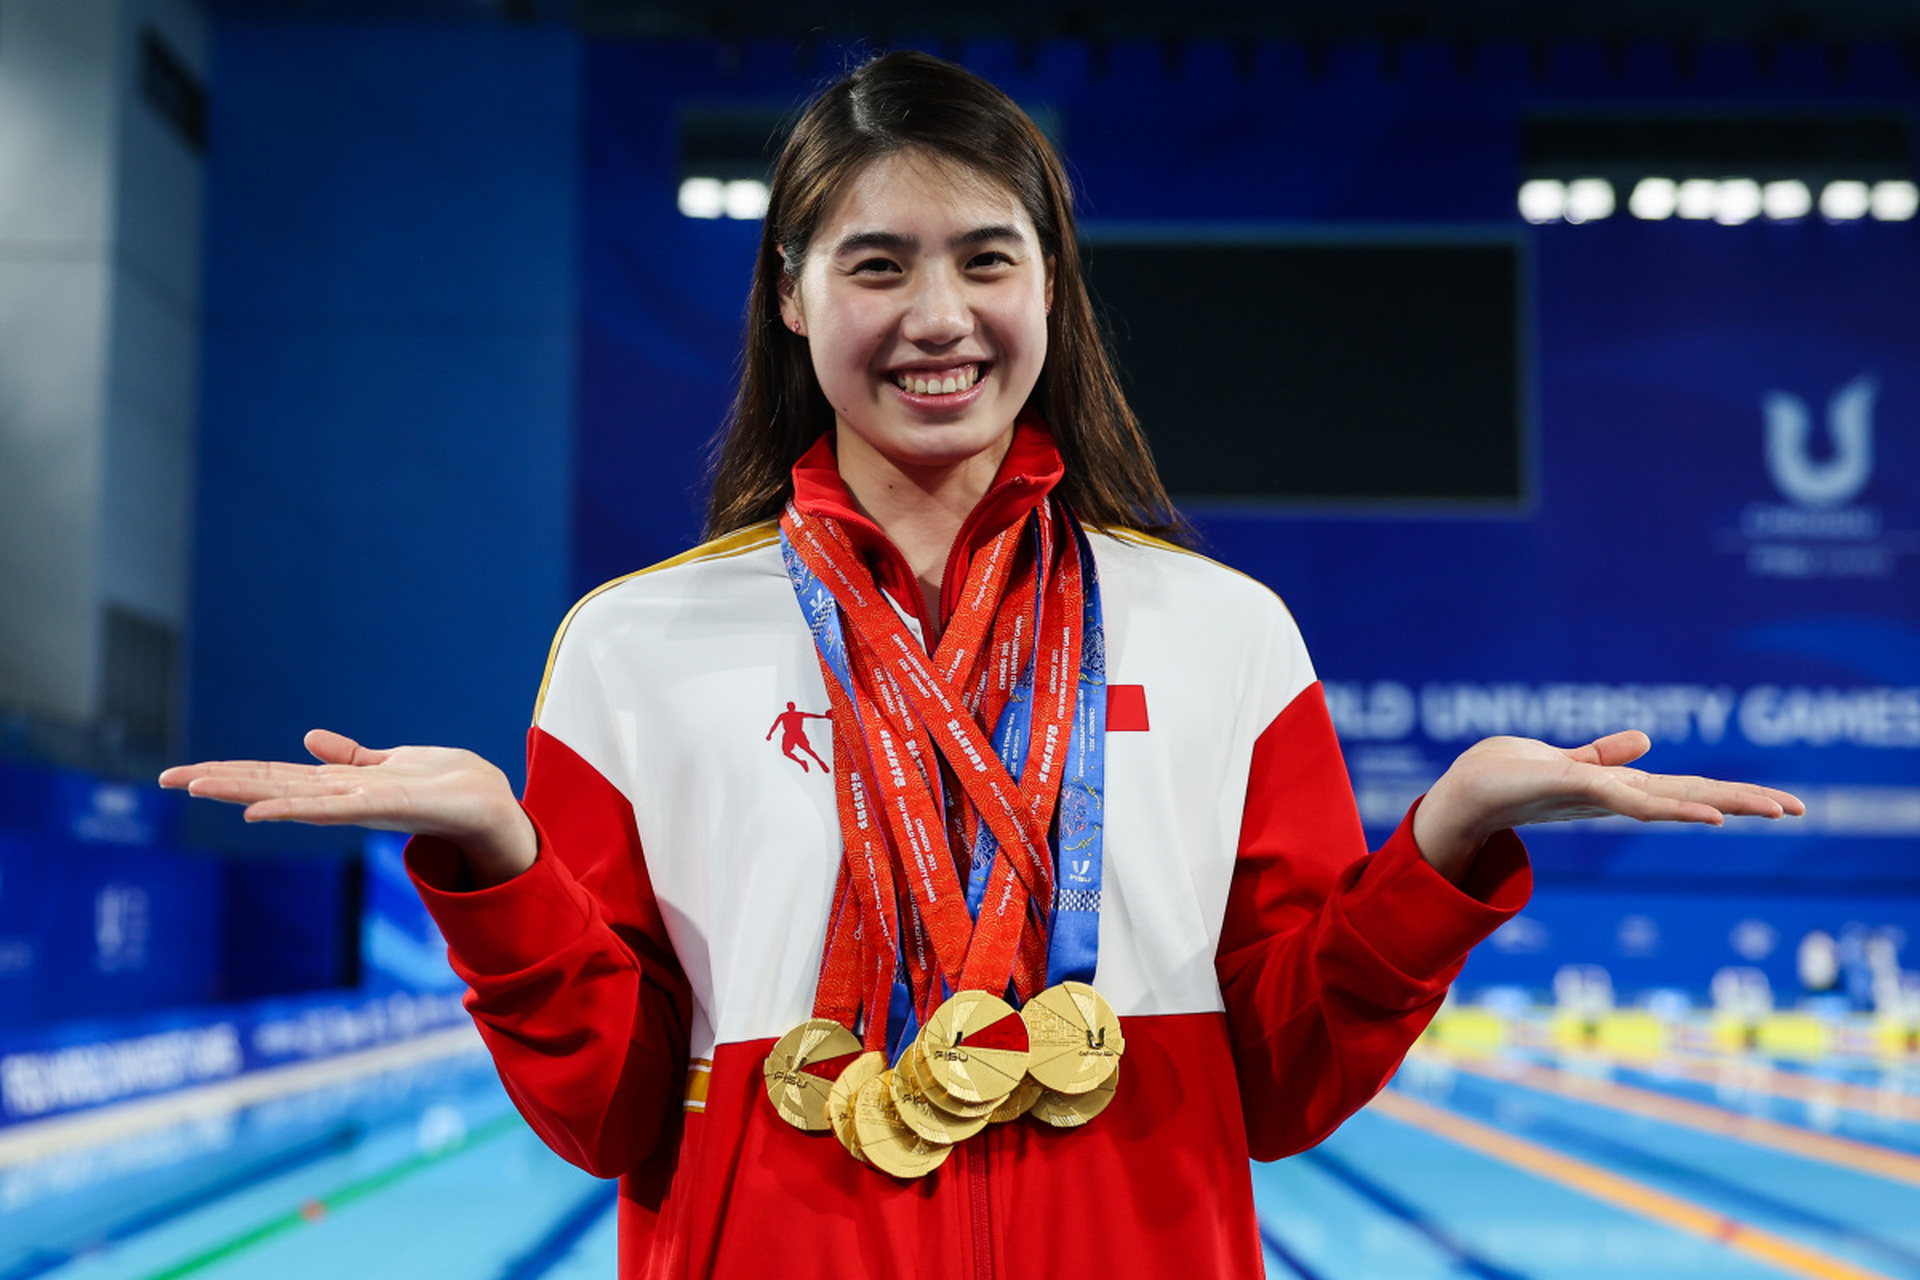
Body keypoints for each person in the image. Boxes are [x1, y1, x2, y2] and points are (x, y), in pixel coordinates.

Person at [161, 50, 1802, 1280]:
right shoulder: (634, 647)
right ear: (792, 298)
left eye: (985, 257)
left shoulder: (1222, 633)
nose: (937, 314)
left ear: (1050, 288)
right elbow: (615, 1114)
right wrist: (496, 861)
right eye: (877, 263)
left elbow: (1285, 1081)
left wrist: (1447, 844)